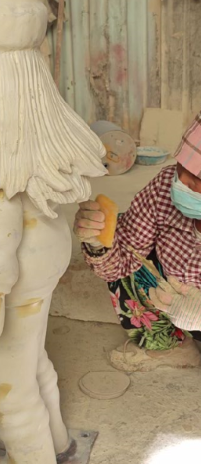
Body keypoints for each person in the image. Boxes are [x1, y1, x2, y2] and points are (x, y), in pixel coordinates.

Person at [74, 112, 201, 371]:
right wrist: (98, 243)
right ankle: (170, 346)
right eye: (185, 165)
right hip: (165, 297)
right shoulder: (165, 187)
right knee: (122, 234)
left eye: (200, 178)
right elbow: (122, 260)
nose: (186, 181)